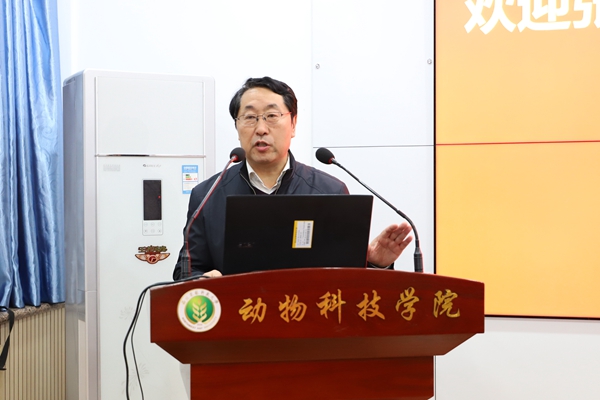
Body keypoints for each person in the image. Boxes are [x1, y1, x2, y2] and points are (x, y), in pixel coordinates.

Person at [172, 77, 412, 280]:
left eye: (271, 116)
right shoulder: (207, 195)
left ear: (293, 124)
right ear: (237, 127)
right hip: (237, 319)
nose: (261, 128)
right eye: (250, 117)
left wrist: (375, 264)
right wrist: (202, 282)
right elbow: (186, 272)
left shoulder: (329, 191)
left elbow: (348, 281)